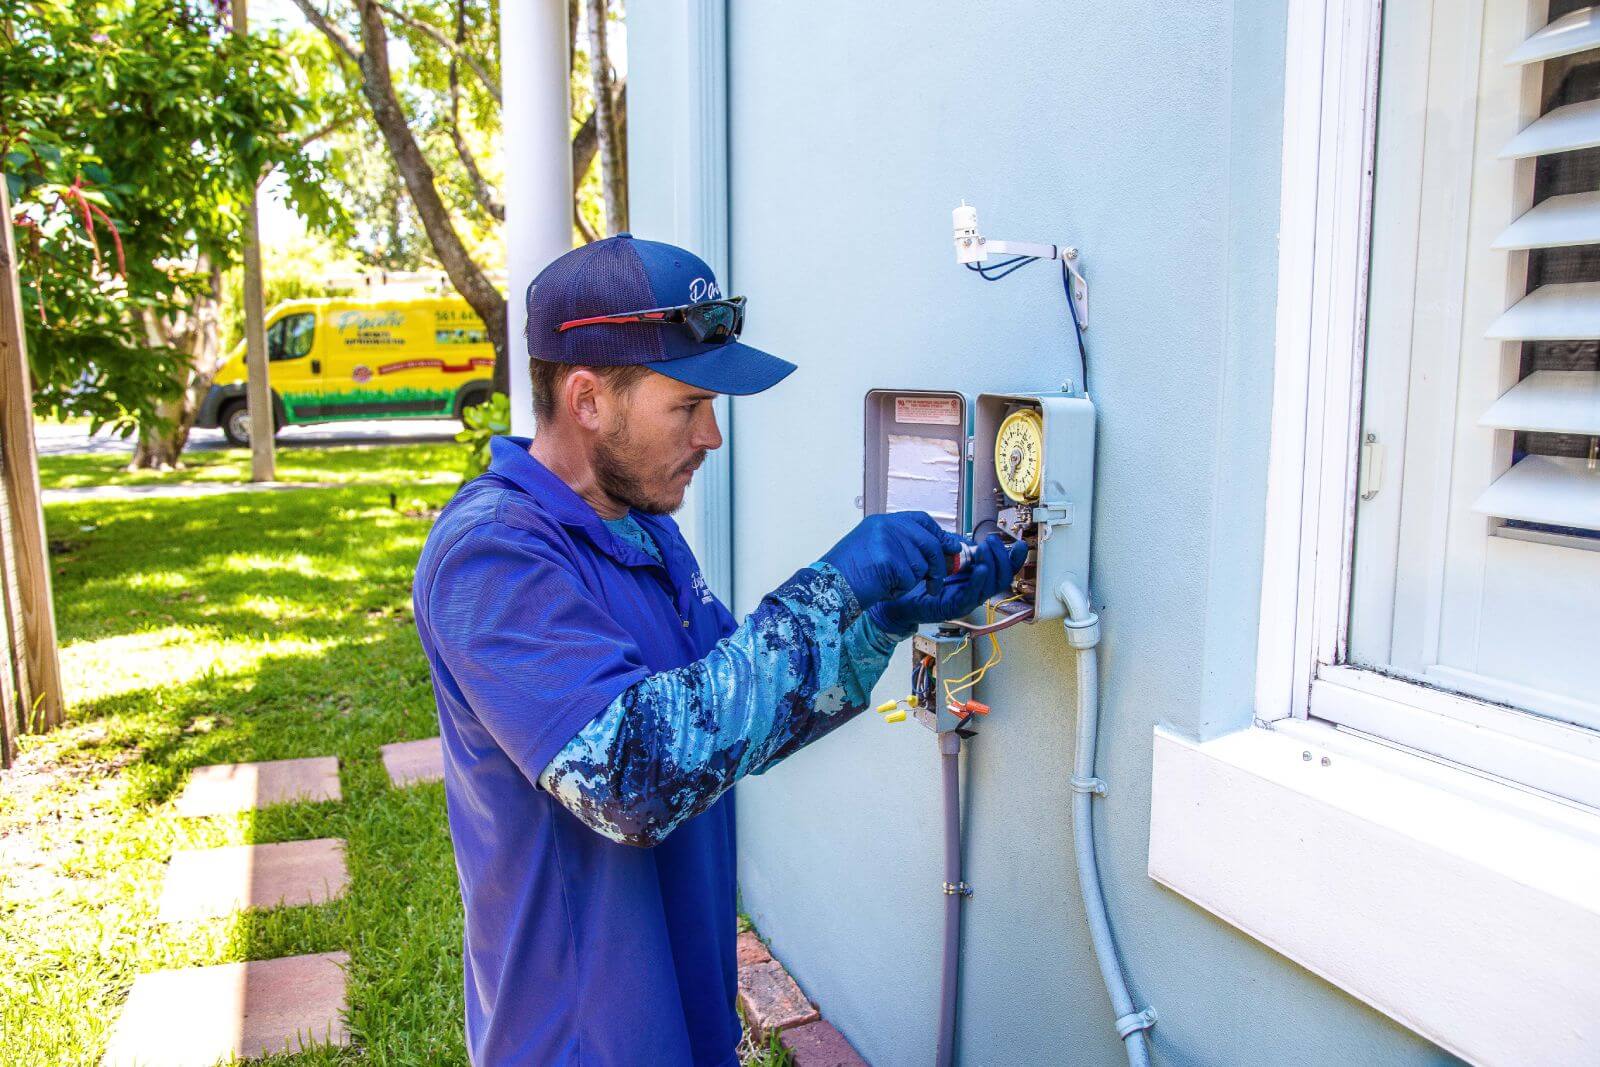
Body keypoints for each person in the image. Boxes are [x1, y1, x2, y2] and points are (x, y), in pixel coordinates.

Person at [413, 234, 1026, 1066]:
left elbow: (728, 726)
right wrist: (832, 586)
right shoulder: (491, 556)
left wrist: (876, 621)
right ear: (587, 398)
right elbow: (633, 775)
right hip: (579, 1034)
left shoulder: (645, 532)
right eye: (688, 405)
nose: (712, 435)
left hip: (682, 1011)